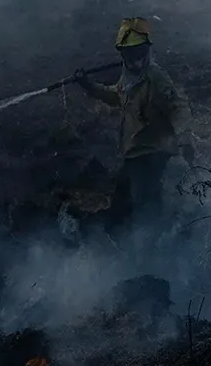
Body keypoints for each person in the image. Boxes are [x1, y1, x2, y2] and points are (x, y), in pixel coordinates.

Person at [74, 17, 195, 231]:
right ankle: (117, 237)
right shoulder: (130, 76)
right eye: (130, 54)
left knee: (145, 203)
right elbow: (117, 97)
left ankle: (155, 246)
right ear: (123, 54)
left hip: (152, 151)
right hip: (134, 151)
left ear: (146, 50)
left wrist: (185, 138)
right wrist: (89, 86)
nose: (136, 60)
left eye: (139, 53)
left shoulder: (155, 77)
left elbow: (179, 106)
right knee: (122, 199)